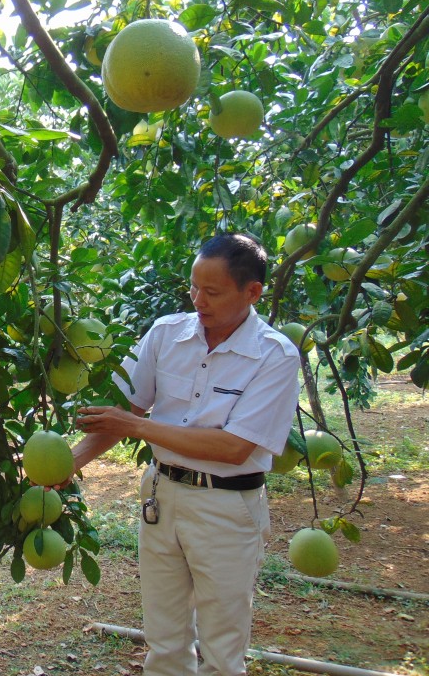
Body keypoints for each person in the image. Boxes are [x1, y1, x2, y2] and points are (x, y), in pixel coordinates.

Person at [72, 233, 301, 676]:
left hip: (226, 507)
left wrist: (136, 427)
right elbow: (125, 410)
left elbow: (235, 448)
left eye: (212, 292)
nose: (198, 300)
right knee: (165, 639)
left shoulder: (274, 356)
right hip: (161, 494)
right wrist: (72, 462)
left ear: (252, 292)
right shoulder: (166, 334)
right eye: (193, 288)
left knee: (221, 647)